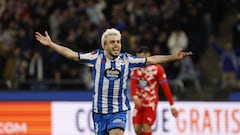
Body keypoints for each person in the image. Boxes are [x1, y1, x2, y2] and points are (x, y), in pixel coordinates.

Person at [35, 28, 192, 135]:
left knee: (116, 132)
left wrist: (173, 57)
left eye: (118, 41)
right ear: (104, 45)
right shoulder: (96, 57)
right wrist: (51, 44)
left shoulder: (126, 60)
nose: (117, 44)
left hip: (118, 110)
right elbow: (71, 55)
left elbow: (152, 59)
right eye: (112, 42)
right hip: (99, 112)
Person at [130, 46, 178, 135]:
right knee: (137, 129)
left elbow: (165, 87)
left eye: (141, 58)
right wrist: (135, 96)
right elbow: (133, 83)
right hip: (139, 102)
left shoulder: (157, 69)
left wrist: (172, 105)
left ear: (148, 55)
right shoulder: (136, 67)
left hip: (150, 102)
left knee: (147, 127)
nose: (140, 61)